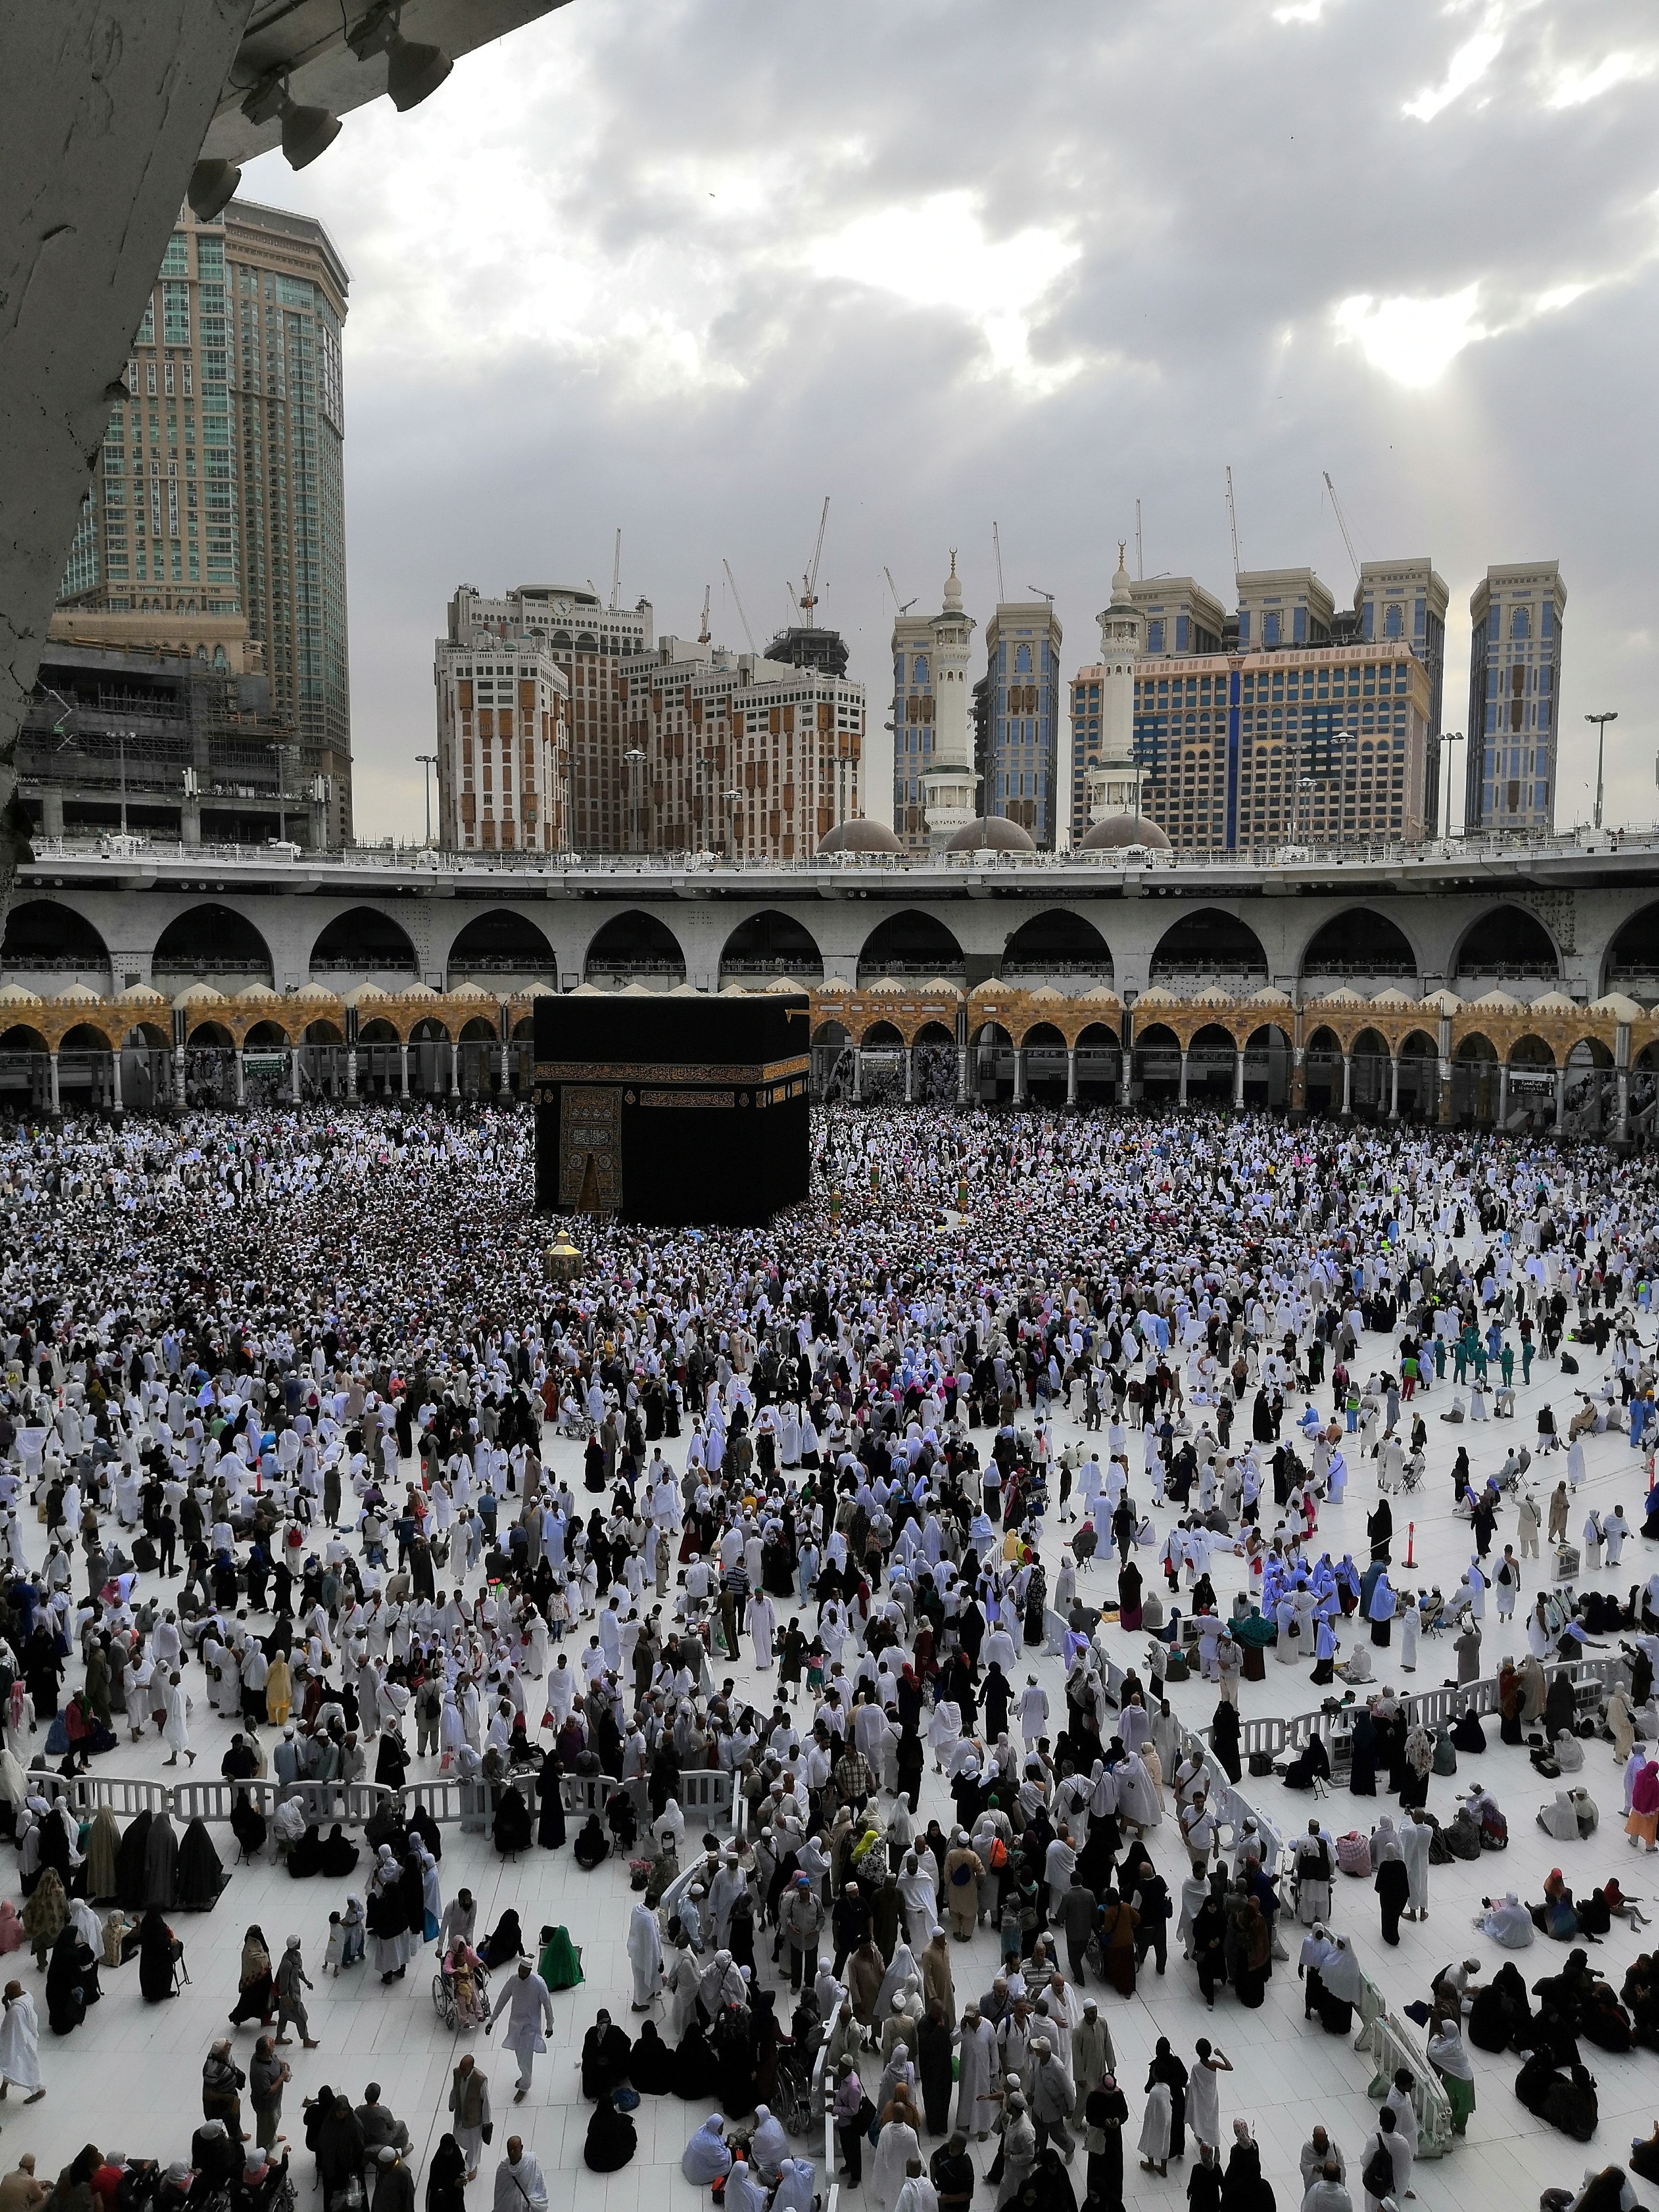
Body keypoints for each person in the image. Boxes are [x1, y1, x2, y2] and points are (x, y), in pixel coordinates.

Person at [488, 1959, 554, 2103]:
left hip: (530, 2028)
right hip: (515, 2026)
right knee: (520, 2056)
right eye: (520, 1969)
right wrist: (492, 2020)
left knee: (526, 2058)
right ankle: (525, 2076)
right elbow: (502, 1999)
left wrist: (550, 2025)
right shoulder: (514, 1981)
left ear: (530, 1971)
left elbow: (547, 2006)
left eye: (524, 1971)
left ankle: (525, 2085)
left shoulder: (539, 1984)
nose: (521, 1973)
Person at [448, 2056, 491, 2182]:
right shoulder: (457, 2073)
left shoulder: (480, 2080)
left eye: (464, 2069)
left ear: (471, 2068)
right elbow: (455, 2089)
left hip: (475, 2120)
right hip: (460, 2116)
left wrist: (487, 2124)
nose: (461, 2071)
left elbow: (486, 2102)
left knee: (474, 2145)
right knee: (457, 2138)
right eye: (460, 2068)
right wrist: (452, 2104)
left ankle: (472, 2168)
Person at [0, 1984, 42, 2104]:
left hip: (21, 2043)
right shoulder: (27, 1996)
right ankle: (4, 2088)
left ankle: (39, 2090)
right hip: (26, 2038)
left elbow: (10, 2028)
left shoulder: (16, 2010)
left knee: (25, 2067)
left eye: (8, 1993)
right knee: (8, 2064)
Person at [275, 1935, 318, 2049]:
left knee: (283, 2017)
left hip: (294, 1993)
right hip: (291, 1997)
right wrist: (286, 1997)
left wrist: (306, 1981)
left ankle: (279, 2037)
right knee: (302, 2017)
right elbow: (283, 1983)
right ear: (295, 1946)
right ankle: (306, 2040)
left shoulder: (297, 1956)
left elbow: (299, 1971)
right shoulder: (287, 1964)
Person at [249, 2037, 289, 2155]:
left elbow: (274, 2060)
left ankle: (273, 2139)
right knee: (265, 2129)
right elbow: (268, 2092)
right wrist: (282, 2077)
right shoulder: (260, 2072)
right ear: (266, 2051)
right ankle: (263, 2153)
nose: (274, 2043)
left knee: (274, 2123)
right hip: (266, 2106)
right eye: (271, 2044)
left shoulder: (267, 2056)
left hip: (275, 2101)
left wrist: (280, 2063)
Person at [493, 2138, 547, 2212]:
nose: (512, 2152)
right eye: (510, 2149)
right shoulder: (503, 2168)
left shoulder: (530, 2162)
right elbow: (500, 2195)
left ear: (521, 2148)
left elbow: (539, 2186)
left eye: (515, 2149)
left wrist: (533, 2203)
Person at [626, 1900, 661, 2011]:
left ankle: (651, 1991)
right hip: (645, 1957)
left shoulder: (636, 1908)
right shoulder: (648, 1921)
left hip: (637, 1951)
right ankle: (638, 2004)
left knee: (646, 1978)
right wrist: (659, 1960)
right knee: (641, 1981)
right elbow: (653, 1944)